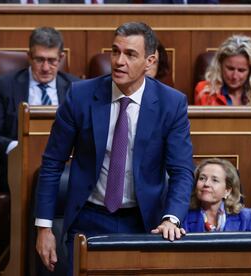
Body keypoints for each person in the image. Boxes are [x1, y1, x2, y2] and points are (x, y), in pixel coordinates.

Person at [35, 22, 194, 274]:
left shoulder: (171, 104)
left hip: (144, 222)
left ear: (149, 61)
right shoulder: (80, 95)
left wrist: (171, 217)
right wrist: (44, 228)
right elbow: (52, 163)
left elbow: (182, 170)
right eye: (115, 51)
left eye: (130, 54)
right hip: (87, 218)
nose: (119, 61)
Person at [0, 27, 79, 204]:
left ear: (61, 58)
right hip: (14, 169)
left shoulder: (76, 87)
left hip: (64, 167)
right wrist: (19, 149)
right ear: (29, 56)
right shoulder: (5, 85)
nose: (46, 67)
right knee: (45, 182)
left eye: (52, 60)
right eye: (40, 60)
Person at [194, 35, 251, 106]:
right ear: (220, 66)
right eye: (230, 68)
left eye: (241, 70)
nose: (234, 76)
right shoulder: (204, 92)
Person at [182, 158, 251, 232]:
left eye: (215, 180)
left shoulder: (247, 218)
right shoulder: (183, 217)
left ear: (227, 191)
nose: (206, 184)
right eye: (202, 178)